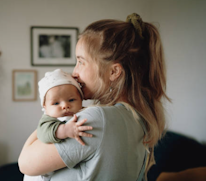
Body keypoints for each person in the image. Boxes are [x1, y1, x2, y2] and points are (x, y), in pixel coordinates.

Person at [19, 13, 170, 180]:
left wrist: (49, 113)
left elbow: (25, 163)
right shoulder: (137, 118)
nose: (74, 73)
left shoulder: (97, 119)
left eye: (81, 61)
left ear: (114, 72)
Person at [24, 69, 93, 181]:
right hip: (40, 174)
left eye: (71, 100)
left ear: (81, 100)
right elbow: (43, 134)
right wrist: (65, 130)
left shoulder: (84, 113)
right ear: (45, 107)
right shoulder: (48, 119)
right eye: (56, 103)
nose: (65, 105)